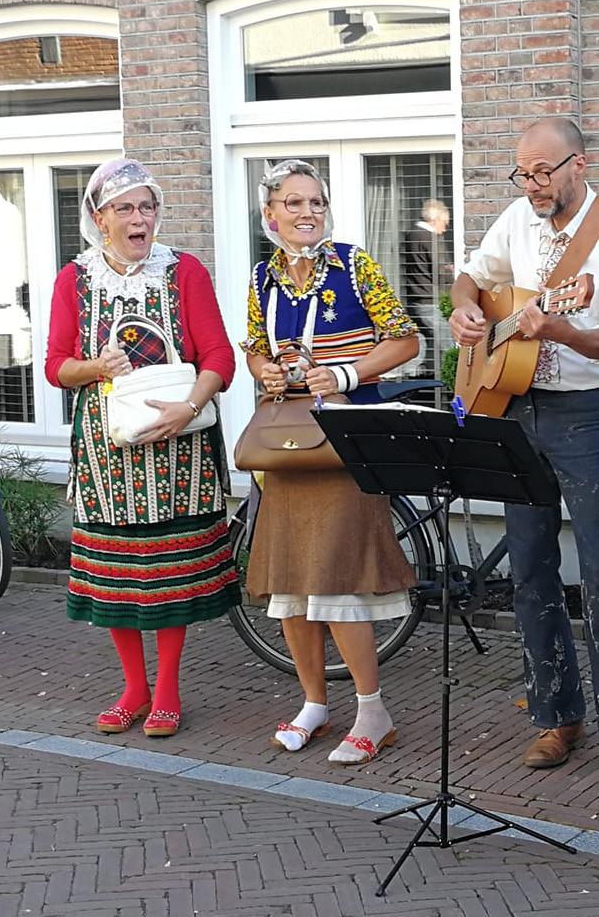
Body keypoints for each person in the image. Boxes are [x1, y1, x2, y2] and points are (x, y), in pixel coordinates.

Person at [45, 158, 241, 738]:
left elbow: (220, 356)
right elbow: (56, 367)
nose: (139, 219)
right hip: (107, 452)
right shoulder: (74, 280)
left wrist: (190, 407)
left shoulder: (184, 271)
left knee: (169, 574)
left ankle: (168, 689)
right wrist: (95, 367)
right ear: (99, 218)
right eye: (125, 208)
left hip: (179, 449)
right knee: (117, 574)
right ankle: (134, 688)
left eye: (147, 207)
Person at [241, 159, 420, 765]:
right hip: (288, 447)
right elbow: (254, 350)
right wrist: (265, 370)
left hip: (346, 443)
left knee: (338, 582)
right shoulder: (262, 277)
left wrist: (345, 374)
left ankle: (373, 711)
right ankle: (314, 703)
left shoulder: (354, 264)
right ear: (270, 214)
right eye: (293, 203)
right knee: (292, 584)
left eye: (316, 202)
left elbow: (406, 338)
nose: (308, 212)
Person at [449, 116, 599, 769]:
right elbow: (470, 276)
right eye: (523, 172)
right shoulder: (515, 219)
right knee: (531, 570)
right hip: (514, 407)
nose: (531, 184)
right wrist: (464, 309)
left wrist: (562, 330)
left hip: (586, 413)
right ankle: (556, 716)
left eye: (542, 171)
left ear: (578, 164)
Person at [403, 199, 453, 372]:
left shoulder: (410, 235)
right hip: (429, 301)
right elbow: (440, 272)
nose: (445, 229)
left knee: (432, 342)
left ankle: (425, 374)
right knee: (449, 345)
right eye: (444, 223)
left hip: (414, 301)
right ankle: (449, 379)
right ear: (435, 219)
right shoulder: (430, 238)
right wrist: (451, 271)